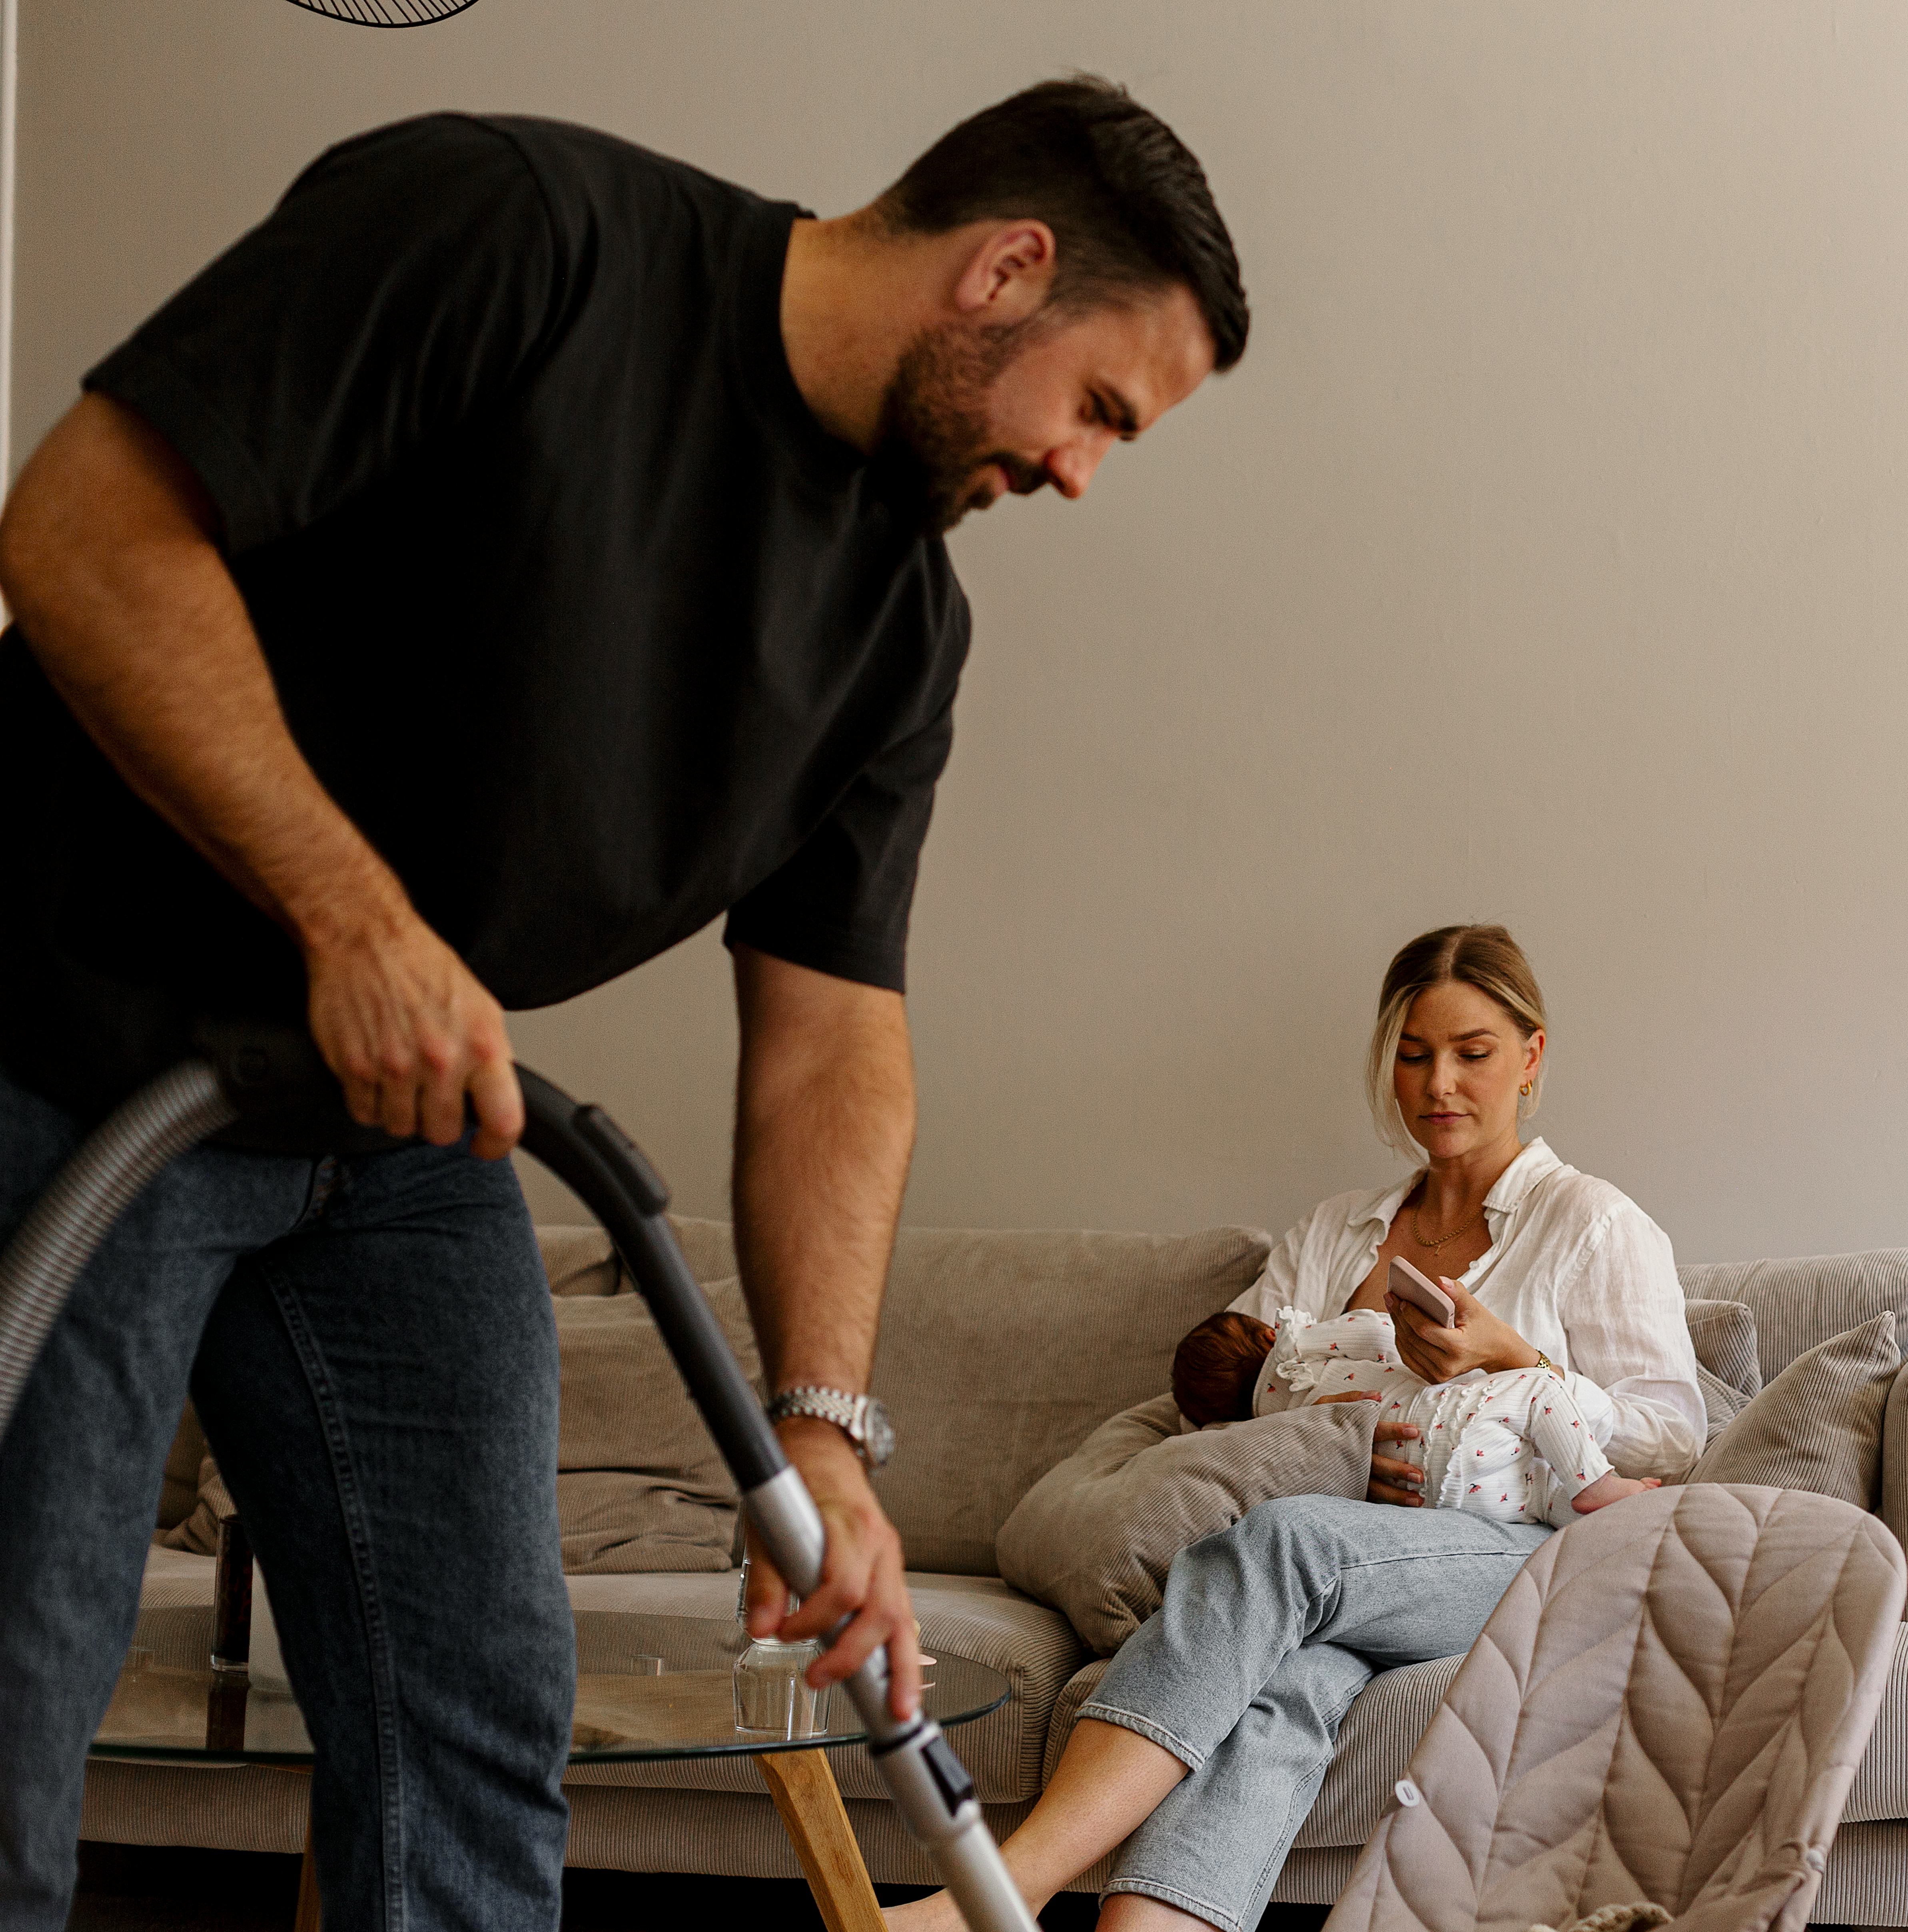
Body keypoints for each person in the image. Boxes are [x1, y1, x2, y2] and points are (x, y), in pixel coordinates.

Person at [0, 78, 1245, 1931]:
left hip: (394, 1127)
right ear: (1005, 269)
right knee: (15, 1698)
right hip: (70, 1050)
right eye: (1100, 409)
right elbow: (82, 529)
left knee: (477, 1714)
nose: (1077, 472)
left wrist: (820, 1435)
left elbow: (831, 1034)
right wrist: (348, 913)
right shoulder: (516, 234)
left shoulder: (899, 628)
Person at [888, 923, 1702, 1932]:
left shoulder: (1593, 1223)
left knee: (1286, 1541)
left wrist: (1513, 1357)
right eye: (1413, 1054)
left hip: (1524, 1549)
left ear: (1531, 1057)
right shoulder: (1332, 1233)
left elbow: (1671, 1435)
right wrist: (1327, 1428)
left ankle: (996, 1896)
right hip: (1361, 1562)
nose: (1439, 1083)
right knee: (1284, 1682)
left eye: (1472, 1052)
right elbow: (1226, 1402)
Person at [1174, 1301, 1662, 1525]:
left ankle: (1614, 1518)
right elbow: (1379, 1335)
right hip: (1446, 1425)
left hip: (1428, 1504)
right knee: (1538, 1391)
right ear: (1268, 1334)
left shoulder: (1270, 1429)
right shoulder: (1299, 1348)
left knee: (1536, 1499)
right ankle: (1597, 1486)